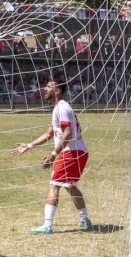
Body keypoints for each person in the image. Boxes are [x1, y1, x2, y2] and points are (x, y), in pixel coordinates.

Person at [12, 79, 91, 233]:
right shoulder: (59, 108)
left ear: (57, 91)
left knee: (54, 185)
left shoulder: (62, 107)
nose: (45, 89)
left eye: (49, 86)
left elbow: (67, 133)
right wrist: (29, 145)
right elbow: (49, 134)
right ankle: (85, 219)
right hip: (78, 151)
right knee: (70, 186)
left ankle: (47, 225)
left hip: (70, 152)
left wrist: (54, 153)